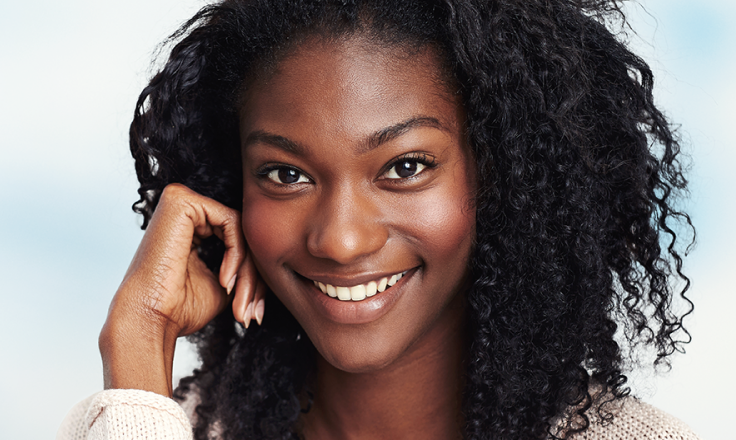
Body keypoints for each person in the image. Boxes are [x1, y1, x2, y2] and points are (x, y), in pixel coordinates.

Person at [57, 0, 700, 439]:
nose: (340, 239)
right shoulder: (143, 421)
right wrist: (138, 347)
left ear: (503, 172)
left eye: (405, 167)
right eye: (286, 174)